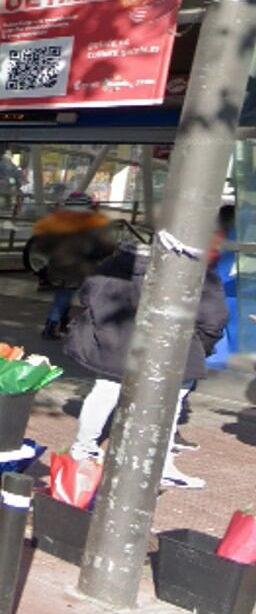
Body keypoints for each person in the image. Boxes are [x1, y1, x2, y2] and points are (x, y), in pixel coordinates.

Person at [63, 204, 231, 490]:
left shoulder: (115, 265)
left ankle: (84, 446)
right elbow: (213, 320)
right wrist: (197, 346)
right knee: (170, 404)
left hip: (114, 345)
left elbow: (88, 297)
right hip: (171, 351)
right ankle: (160, 464)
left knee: (103, 392)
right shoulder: (195, 271)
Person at [31, 192, 115, 339]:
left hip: (57, 265)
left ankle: (61, 322)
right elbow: (107, 246)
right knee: (70, 296)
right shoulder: (94, 224)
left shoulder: (54, 222)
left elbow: (41, 245)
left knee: (63, 294)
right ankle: (52, 326)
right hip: (82, 266)